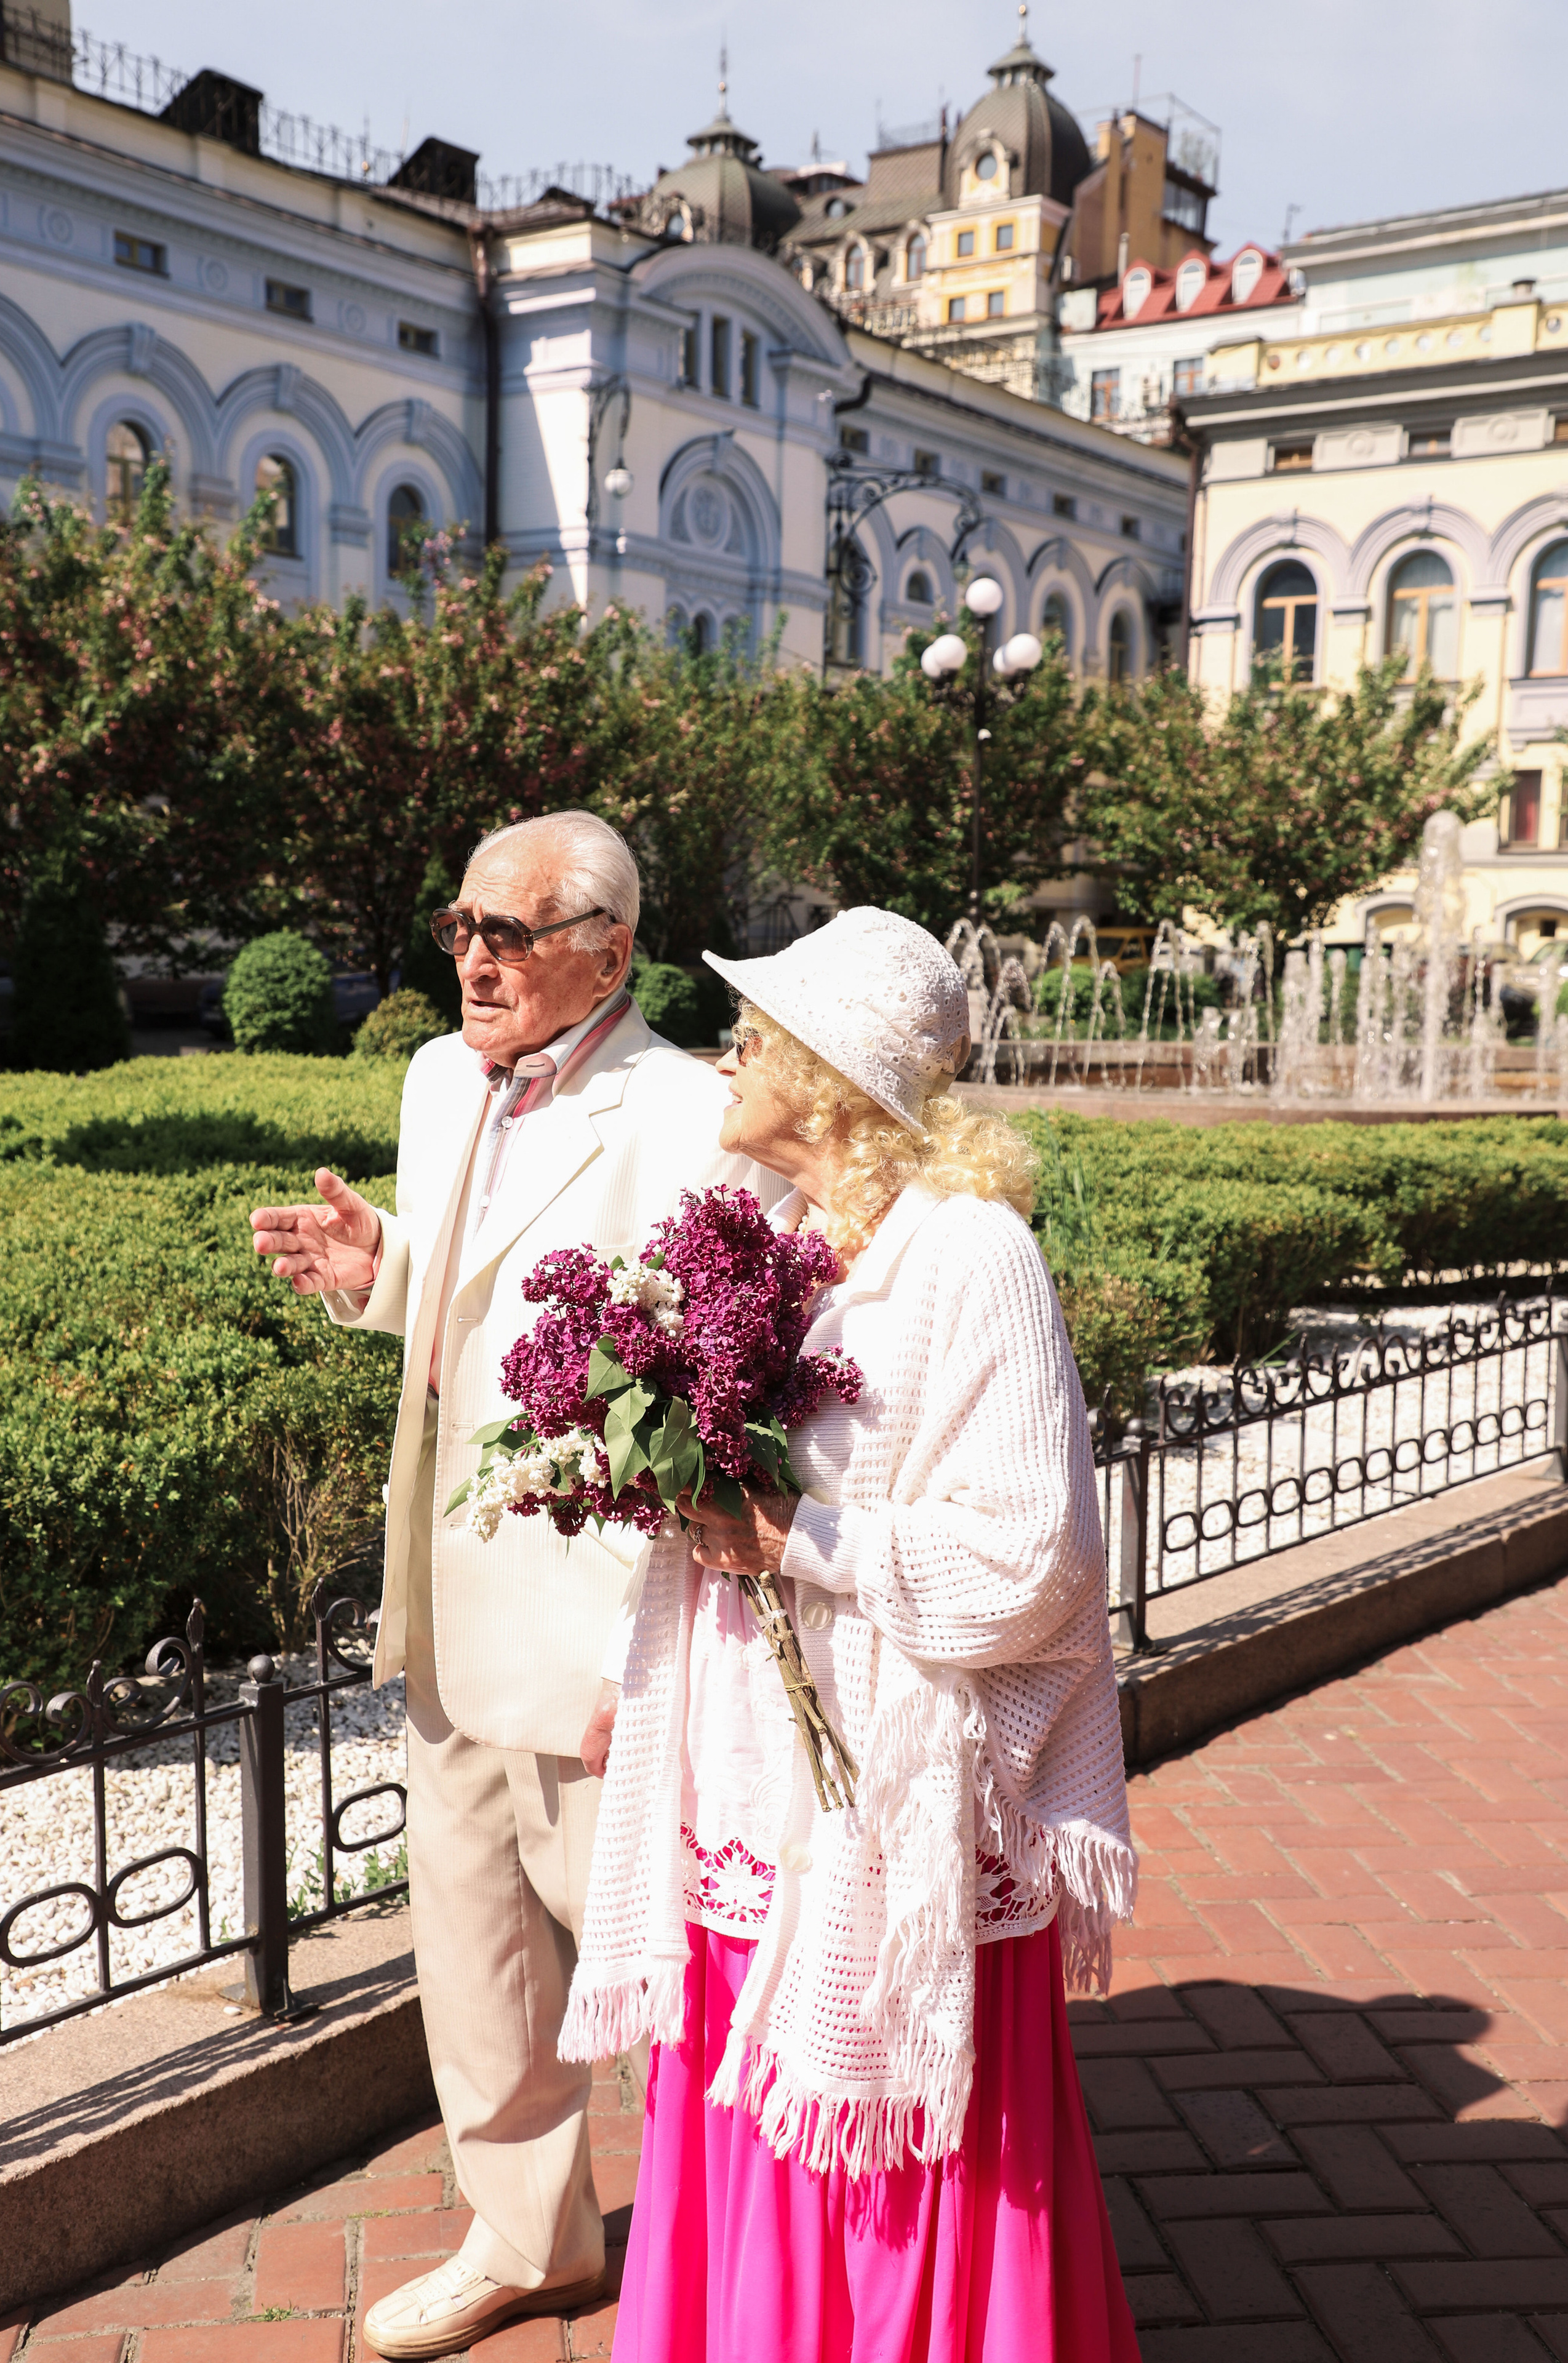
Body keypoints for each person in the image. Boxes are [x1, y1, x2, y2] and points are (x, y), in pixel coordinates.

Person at [562, 905, 1140, 2363]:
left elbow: (1036, 1561)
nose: (730, 1050)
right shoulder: (782, 1246)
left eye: (758, 1031)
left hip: (892, 1789)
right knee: (753, 2103)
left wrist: (797, 1541)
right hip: (749, 1769)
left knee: (882, 2139)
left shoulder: (969, 1255)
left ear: (831, 1070)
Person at [249, 812, 784, 2361]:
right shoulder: (434, 1077)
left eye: (513, 932)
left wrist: (661, 1650)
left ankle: (723, 2255)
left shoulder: (692, 1116)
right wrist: (384, 1275)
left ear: (609, 953)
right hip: (443, 1587)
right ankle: (526, 2235)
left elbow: (709, 1393)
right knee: (472, 1949)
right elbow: (488, 1306)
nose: (474, 958)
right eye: (462, 925)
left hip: (597, 1617)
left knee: (661, 1965)